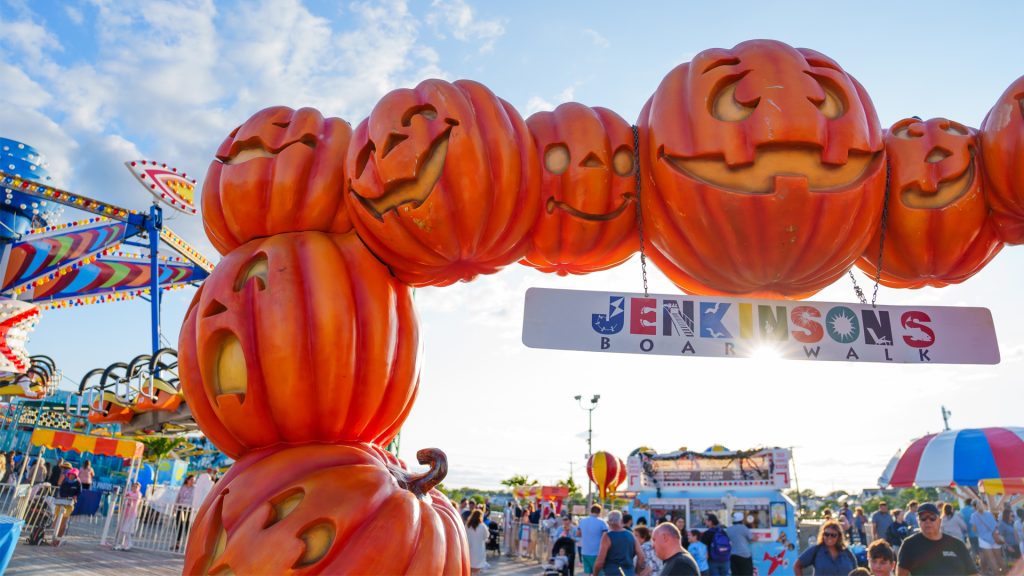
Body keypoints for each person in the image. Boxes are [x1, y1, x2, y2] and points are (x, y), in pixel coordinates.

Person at [895, 502, 976, 575]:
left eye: (932, 517)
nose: (927, 521)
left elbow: (972, 573)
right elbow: (901, 574)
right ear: (918, 521)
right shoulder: (909, 545)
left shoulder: (957, 544)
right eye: (923, 517)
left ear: (939, 521)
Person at [793, 519, 857, 575]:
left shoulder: (847, 552)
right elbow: (797, 565)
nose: (829, 537)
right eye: (826, 534)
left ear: (839, 536)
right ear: (823, 535)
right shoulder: (816, 550)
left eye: (833, 535)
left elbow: (856, 571)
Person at [593, 510, 646, 576]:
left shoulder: (607, 536)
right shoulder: (631, 535)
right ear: (621, 521)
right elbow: (641, 556)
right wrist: (637, 572)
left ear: (608, 522)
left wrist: (595, 574)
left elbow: (600, 562)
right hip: (629, 573)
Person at [971, 500, 1002, 576]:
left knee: (991, 561)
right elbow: (995, 526)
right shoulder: (989, 513)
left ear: (974, 507)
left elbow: (974, 529)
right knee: (999, 560)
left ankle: (986, 572)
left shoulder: (974, 515)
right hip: (994, 538)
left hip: (984, 540)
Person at [52, 467, 82, 543]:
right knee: (55, 522)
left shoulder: (78, 483)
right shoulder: (65, 481)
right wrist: (63, 497)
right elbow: (61, 490)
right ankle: (54, 537)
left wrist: (74, 497)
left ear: (76, 476)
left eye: (73, 475)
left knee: (63, 522)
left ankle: (58, 538)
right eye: (71, 474)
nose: (71, 476)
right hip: (61, 502)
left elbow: (79, 492)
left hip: (69, 504)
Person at [579, 504, 609, 575]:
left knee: (588, 573)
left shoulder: (582, 521)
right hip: (597, 552)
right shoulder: (602, 522)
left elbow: (578, 533)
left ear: (591, 511)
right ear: (599, 512)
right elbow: (606, 536)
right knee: (599, 573)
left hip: (585, 551)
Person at [114, 482, 142, 551]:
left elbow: (131, 497)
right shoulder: (130, 492)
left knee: (125, 529)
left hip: (132, 514)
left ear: (139, 488)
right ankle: (126, 544)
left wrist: (128, 496)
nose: (134, 488)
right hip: (126, 513)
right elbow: (125, 495)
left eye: (136, 487)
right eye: (133, 486)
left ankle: (128, 543)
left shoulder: (138, 494)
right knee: (126, 530)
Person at [174, 475, 195, 551]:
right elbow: (178, 497)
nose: (192, 481)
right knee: (179, 525)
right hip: (180, 507)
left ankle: (189, 544)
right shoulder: (183, 487)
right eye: (191, 480)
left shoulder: (194, 489)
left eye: (193, 480)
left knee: (187, 526)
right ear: (187, 480)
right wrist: (175, 507)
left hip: (188, 508)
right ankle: (178, 543)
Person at [467, 509, 489, 575]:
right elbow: (486, 536)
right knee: (476, 571)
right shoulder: (482, 526)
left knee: (469, 569)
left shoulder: (467, 526)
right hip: (479, 551)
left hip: (469, 550)